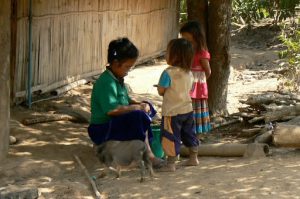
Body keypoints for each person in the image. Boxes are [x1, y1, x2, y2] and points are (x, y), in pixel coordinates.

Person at [88, 37, 163, 167]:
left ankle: (148, 146)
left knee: (146, 107)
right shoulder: (106, 82)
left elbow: (126, 100)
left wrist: (140, 104)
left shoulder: (117, 78)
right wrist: (135, 108)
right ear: (116, 63)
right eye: (127, 67)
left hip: (114, 123)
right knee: (138, 116)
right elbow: (111, 110)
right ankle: (148, 155)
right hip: (102, 129)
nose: (128, 71)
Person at [156, 38, 199, 172]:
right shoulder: (189, 73)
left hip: (171, 112)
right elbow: (190, 90)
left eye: (168, 52)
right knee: (189, 133)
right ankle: (193, 158)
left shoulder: (167, 73)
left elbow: (161, 90)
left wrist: (161, 88)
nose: (165, 54)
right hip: (187, 109)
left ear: (174, 55)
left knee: (170, 136)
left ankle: (171, 164)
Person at [180, 21, 212, 137]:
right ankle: (188, 133)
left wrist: (200, 82)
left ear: (195, 35)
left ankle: (198, 134)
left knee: (197, 109)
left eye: (186, 36)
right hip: (187, 84)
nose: (183, 39)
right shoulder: (186, 50)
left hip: (198, 87)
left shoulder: (202, 53)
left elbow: (208, 71)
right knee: (188, 108)